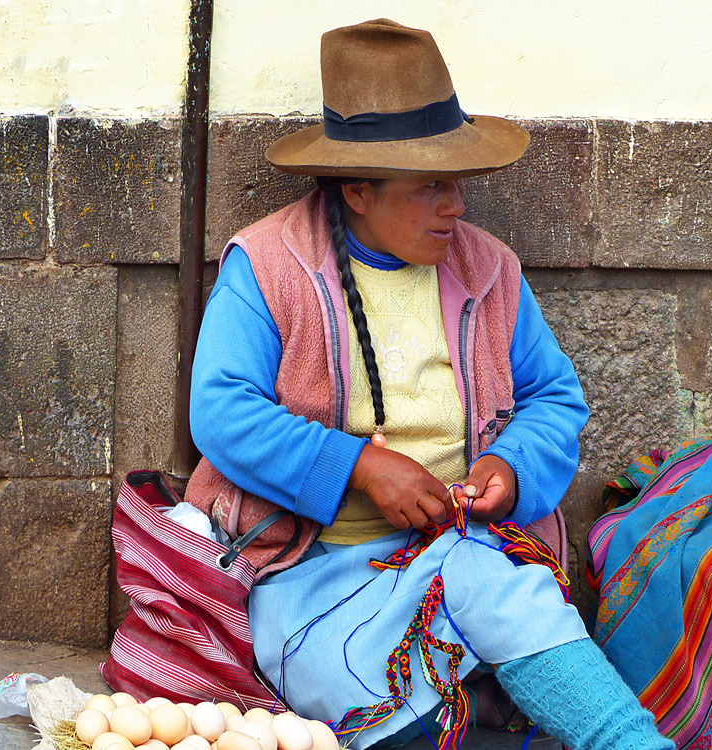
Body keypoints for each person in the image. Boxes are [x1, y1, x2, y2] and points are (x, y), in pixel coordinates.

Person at [188, 19, 674, 750]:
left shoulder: (489, 270)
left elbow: (554, 398)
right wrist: (360, 466)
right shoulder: (267, 267)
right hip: (308, 576)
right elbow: (221, 411)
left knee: (505, 589)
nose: (457, 206)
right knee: (380, 711)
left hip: (466, 553)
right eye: (431, 188)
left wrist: (507, 469)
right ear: (356, 190)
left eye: (458, 184)